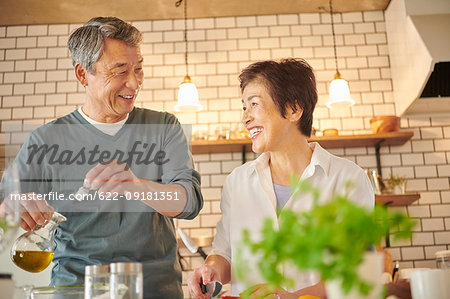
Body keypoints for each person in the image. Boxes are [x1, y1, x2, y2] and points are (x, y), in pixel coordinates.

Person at [1, 17, 203, 299]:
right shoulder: (46, 139)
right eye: (120, 71)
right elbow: (4, 207)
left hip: (153, 290)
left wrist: (137, 186)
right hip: (74, 291)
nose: (134, 82)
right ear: (83, 74)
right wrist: (13, 204)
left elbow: (188, 201)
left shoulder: (164, 127)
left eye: (138, 69)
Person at [187, 59, 374, 299]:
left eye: (254, 104)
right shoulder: (238, 182)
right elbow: (225, 254)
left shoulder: (348, 179)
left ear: (294, 109)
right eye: (244, 107)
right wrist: (210, 270)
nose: (245, 118)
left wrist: (290, 297)